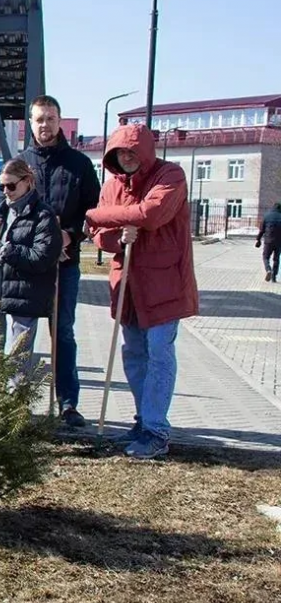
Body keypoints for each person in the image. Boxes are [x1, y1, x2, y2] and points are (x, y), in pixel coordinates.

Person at [86, 123, 198, 460]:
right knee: (134, 354)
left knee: (159, 354)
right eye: (120, 152)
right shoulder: (111, 186)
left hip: (164, 284)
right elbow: (97, 234)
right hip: (128, 286)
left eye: (132, 151)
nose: (126, 157)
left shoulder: (171, 175)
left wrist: (100, 214)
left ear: (146, 151)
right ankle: (142, 420)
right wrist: (117, 236)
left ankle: (156, 430)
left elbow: (151, 214)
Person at [18, 94, 101, 428]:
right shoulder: (21, 163)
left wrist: (71, 235)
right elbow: (9, 207)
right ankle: (17, 401)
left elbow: (94, 211)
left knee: (63, 333)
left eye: (50, 118)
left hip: (65, 264)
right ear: (31, 122)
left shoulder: (78, 164)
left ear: (59, 121)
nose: (45, 125)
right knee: (22, 334)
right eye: (39, 119)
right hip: (28, 266)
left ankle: (68, 403)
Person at [0, 159, 61, 385]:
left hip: (26, 295)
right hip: (2, 292)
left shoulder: (43, 215)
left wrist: (6, 250)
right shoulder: (4, 212)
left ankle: (14, 411)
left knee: (17, 358)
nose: (6, 192)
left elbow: (42, 257)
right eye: (1, 187)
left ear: (27, 182)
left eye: (11, 186)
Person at [257, 201, 281, 282]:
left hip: (268, 241)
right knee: (276, 259)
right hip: (279, 242)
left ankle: (268, 270)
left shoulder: (267, 216)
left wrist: (258, 239)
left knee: (266, 257)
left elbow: (261, 230)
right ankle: (274, 277)